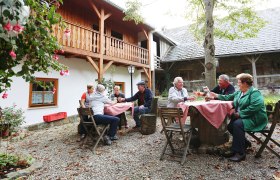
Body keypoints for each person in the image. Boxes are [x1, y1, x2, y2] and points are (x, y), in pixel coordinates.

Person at [206, 73, 268, 162]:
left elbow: (255, 106)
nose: (237, 84)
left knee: (237, 124)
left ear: (245, 83)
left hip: (255, 119)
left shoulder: (255, 93)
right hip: (245, 117)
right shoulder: (239, 92)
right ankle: (244, 143)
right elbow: (228, 97)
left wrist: (240, 114)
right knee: (230, 126)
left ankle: (240, 153)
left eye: (239, 82)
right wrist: (215, 95)